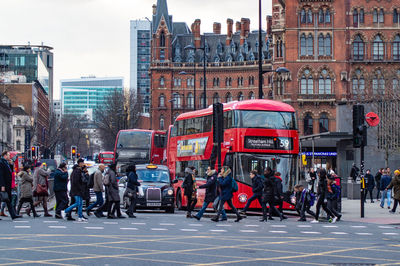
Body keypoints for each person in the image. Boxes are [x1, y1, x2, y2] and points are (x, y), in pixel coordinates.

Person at [0, 151, 22, 220]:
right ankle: (13, 215)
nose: (10, 157)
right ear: (5, 155)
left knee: (8, 200)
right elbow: (1, 175)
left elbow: (10, 172)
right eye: (8, 155)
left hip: (8, 184)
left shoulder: (6, 162)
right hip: (4, 185)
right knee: (6, 200)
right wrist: (2, 185)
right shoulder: (1, 162)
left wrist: (11, 164)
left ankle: (13, 215)